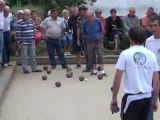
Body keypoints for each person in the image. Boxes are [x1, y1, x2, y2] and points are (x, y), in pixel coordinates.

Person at [110, 26, 159, 120]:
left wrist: (114, 98)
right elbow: (156, 81)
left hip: (131, 99)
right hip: (147, 98)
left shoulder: (125, 54)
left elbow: (117, 79)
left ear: (130, 39)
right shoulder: (151, 55)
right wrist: (155, 100)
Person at [16, 9, 42, 74]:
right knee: (24, 56)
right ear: (23, 15)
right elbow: (18, 34)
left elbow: (34, 31)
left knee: (32, 55)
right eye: (26, 14)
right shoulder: (19, 22)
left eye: (29, 14)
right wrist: (20, 42)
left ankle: (34, 68)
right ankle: (25, 69)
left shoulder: (31, 21)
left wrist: (33, 39)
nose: (28, 16)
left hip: (31, 41)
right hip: (24, 42)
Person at [83, 10, 107, 76]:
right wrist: (88, 37)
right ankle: (94, 70)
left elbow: (102, 30)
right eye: (87, 17)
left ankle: (102, 71)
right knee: (91, 55)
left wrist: (100, 37)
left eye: (90, 17)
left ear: (93, 16)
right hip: (89, 41)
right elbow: (84, 32)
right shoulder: (85, 22)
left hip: (98, 40)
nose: (89, 19)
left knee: (100, 54)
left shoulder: (98, 21)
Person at [145, 15, 160, 120]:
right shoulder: (148, 41)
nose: (153, 28)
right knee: (149, 104)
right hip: (151, 75)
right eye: (151, 26)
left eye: (155, 25)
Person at [0, 0, 5, 71]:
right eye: (3, 5)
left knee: (1, 48)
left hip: (1, 31)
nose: (4, 7)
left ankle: (0, 62)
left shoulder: (2, 12)